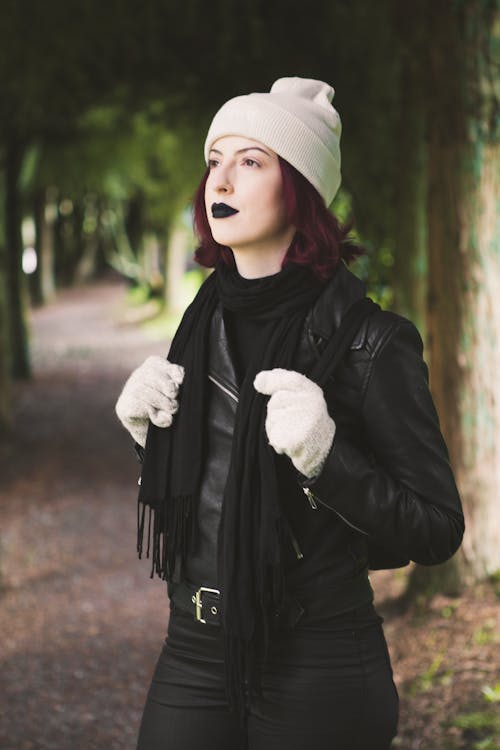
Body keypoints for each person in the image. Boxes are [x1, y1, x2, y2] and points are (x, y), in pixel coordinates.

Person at [115, 77, 464, 750]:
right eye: (215, 160)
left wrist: (328, 459)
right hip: (192, 649)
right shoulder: (199, 323)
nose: (222, 179)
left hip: (319, 657)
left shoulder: (370, 342)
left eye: (252, 161)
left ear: (301, 188)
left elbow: (436, 528)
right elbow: (213, 488)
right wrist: (146, 439)